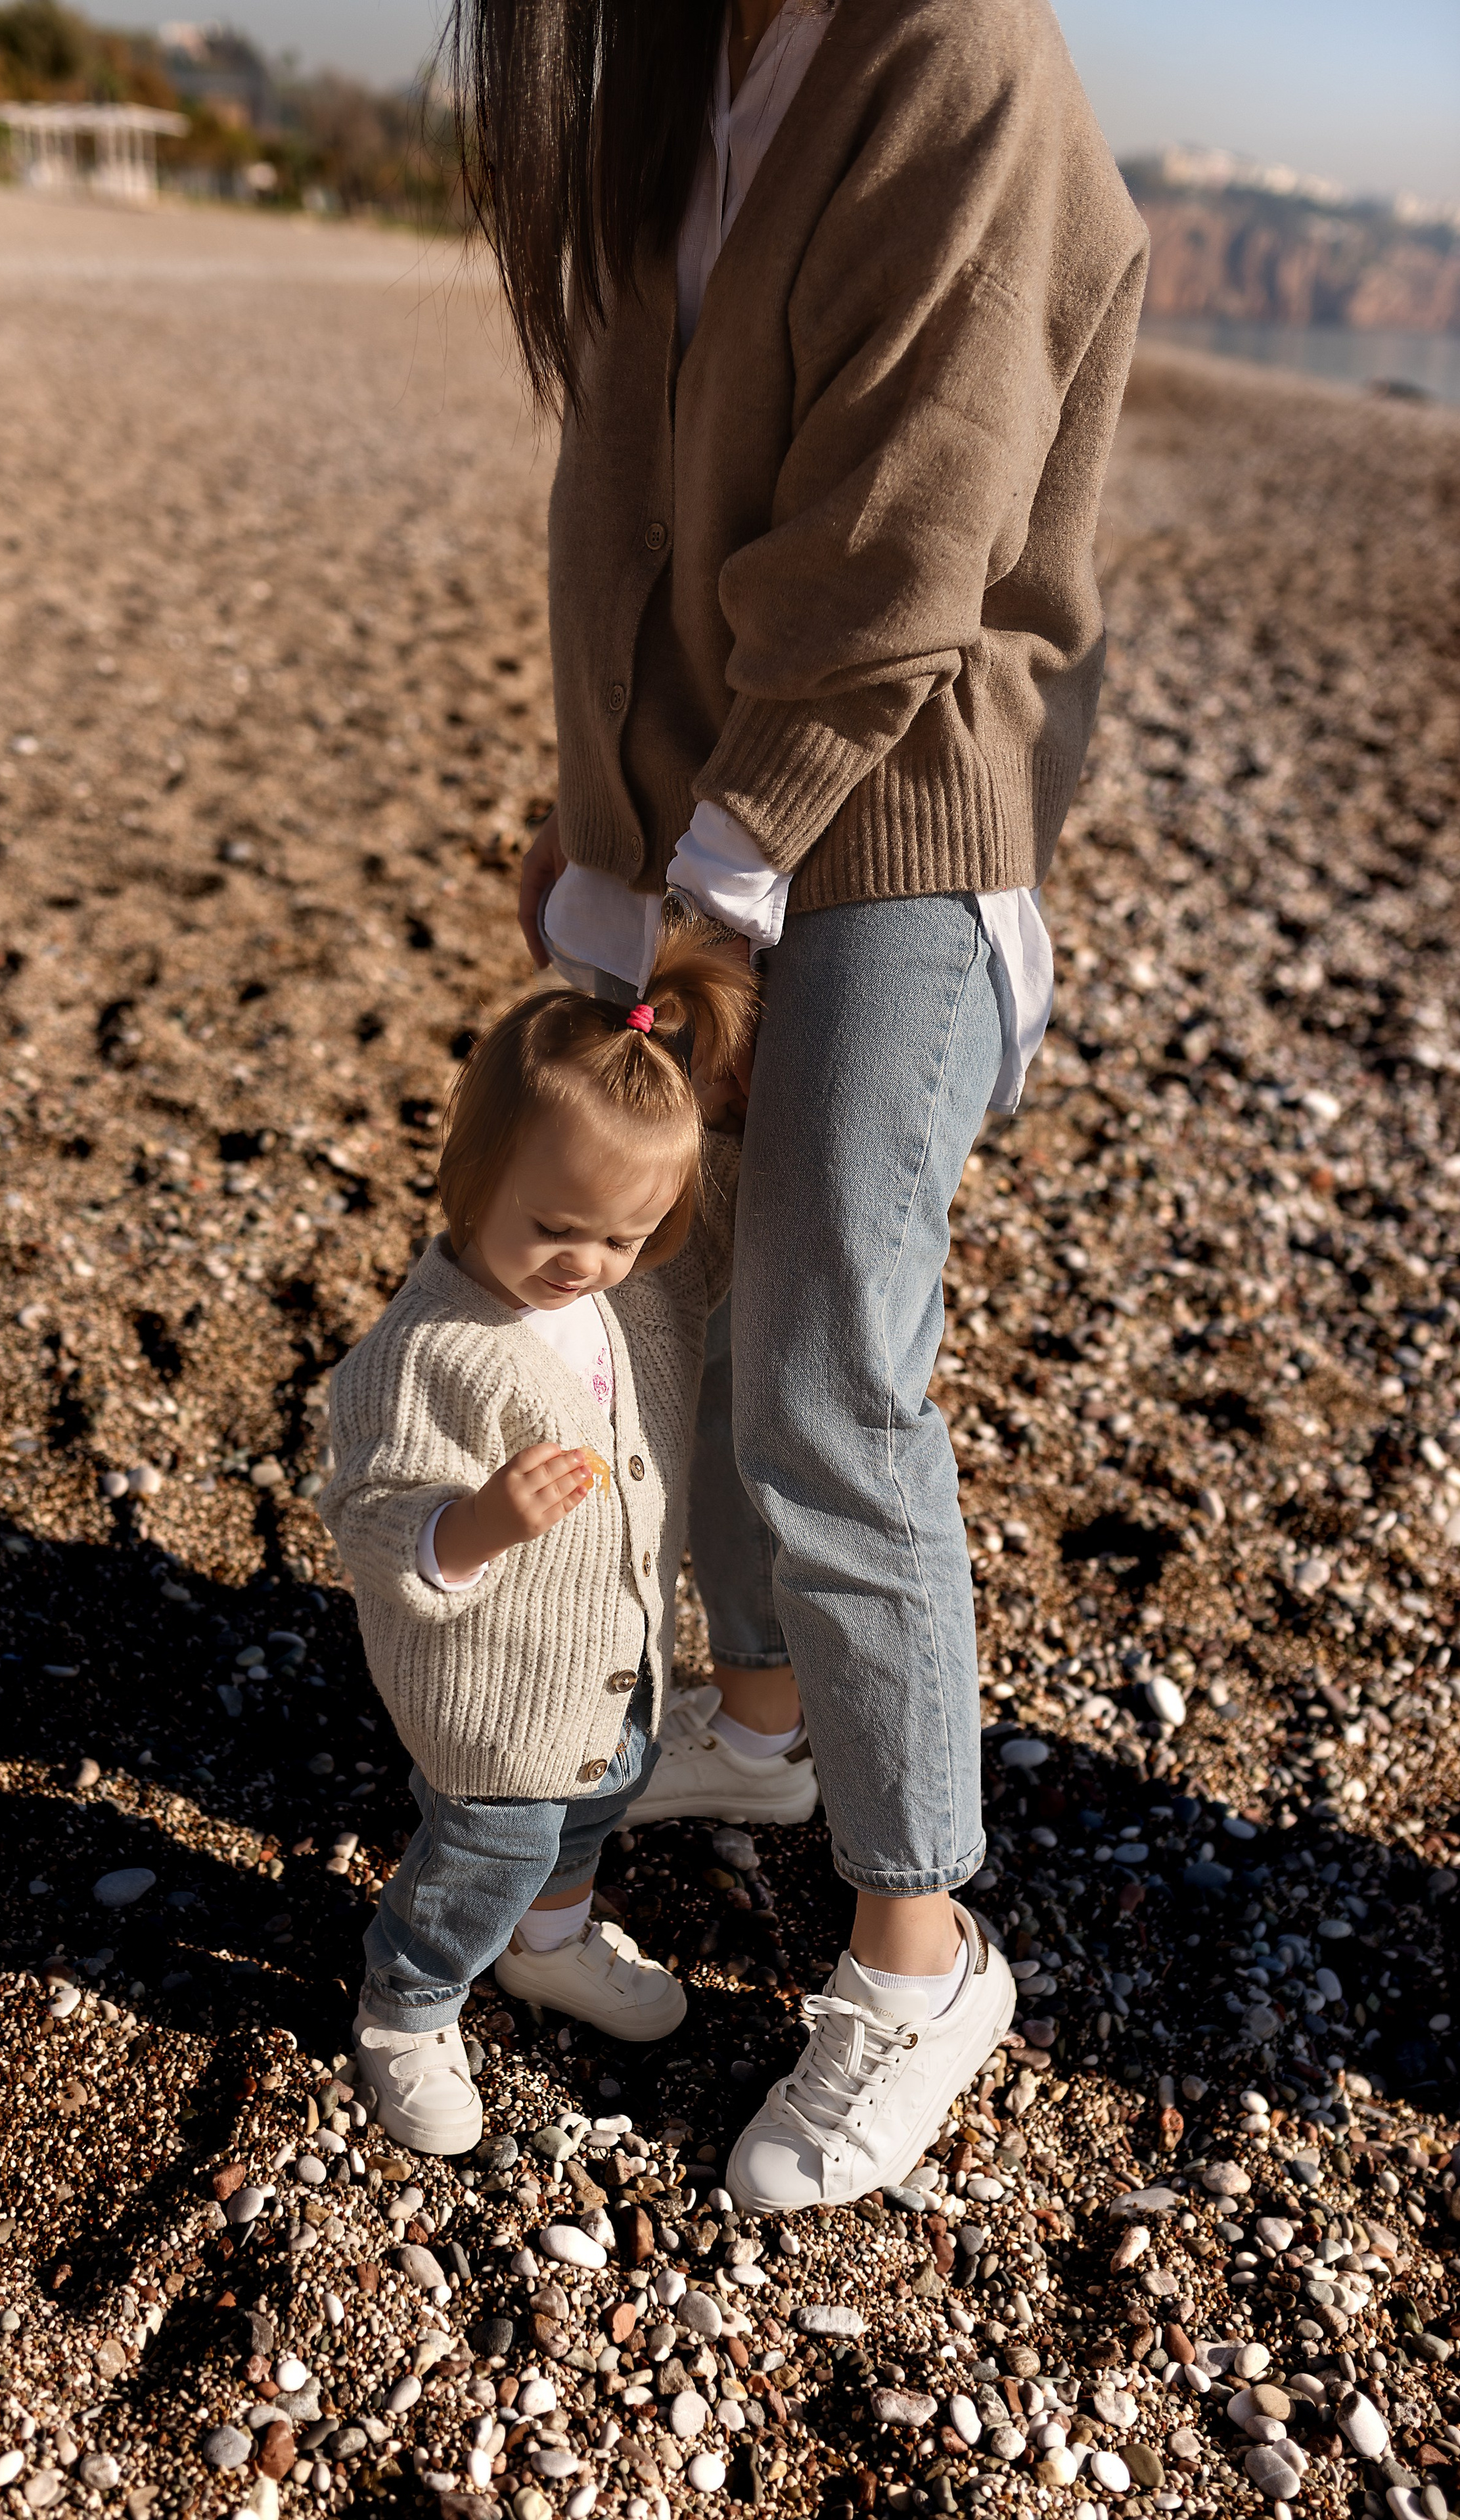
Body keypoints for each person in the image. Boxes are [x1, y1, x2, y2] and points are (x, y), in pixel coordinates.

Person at [445, 0, 1149, 2207]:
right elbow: (620, 495)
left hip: (904, 815)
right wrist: (604, 833)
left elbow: (907, 526)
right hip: (706, 830)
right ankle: (761, 1724)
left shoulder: (956, 50)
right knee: (701, 1315)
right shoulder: (681, 58)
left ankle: (921, 1955)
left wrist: (714, 876)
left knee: (832, 1369)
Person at [320, 928, 756, 2153]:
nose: (588, 1263)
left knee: (595, 1810)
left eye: (623, 1236)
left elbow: (713, 1217)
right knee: (483, 1853)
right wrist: (472, 1525)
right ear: (472, 1177)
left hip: (614, 1673)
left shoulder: (635, 1289)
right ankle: (407, 2005)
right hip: (495, 1700)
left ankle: (550, 1944)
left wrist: (724, 1101)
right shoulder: (427, 1353)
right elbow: (369, 1515)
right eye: (558, 1227)